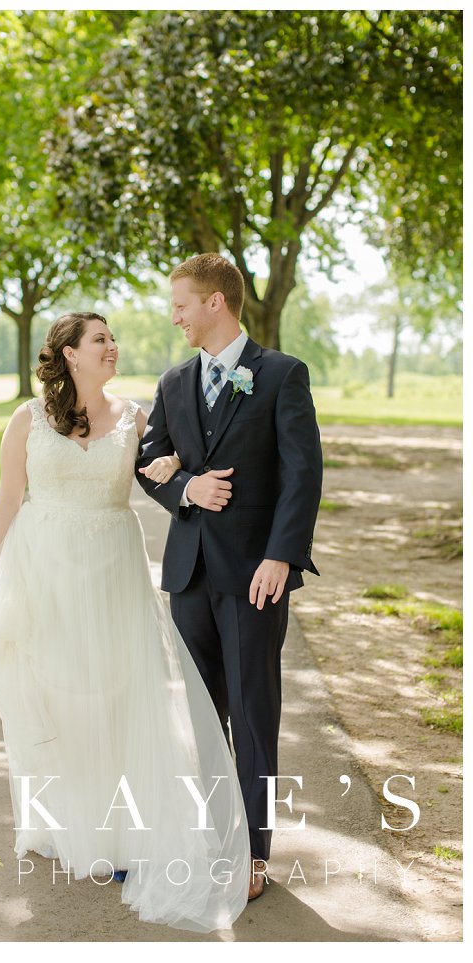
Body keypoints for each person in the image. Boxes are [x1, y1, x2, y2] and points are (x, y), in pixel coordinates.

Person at [0, 311, 250, 932]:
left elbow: (173, 464)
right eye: (99, 339)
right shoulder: (26, 419)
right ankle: (72, 824)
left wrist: (174, 472)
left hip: (112, 567)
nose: (112, 347)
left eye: (111, 339)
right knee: (57, 695)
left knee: (120, 698)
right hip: (44, 567)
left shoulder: (136, 417)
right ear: (69, 354)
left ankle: (126, 835)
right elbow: (8, 497)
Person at [134, 253, 323, 901]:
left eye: (181, 303)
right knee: (203, 718)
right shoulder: (174, 381)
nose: (175, 315)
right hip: (188, 575)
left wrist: (282, 554)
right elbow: (149, 461)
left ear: (216, 301)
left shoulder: (280, 375)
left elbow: (303, 474)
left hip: (254, 576)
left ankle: (253, 853)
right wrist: (188, 486)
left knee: (251, 714)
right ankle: (216, 837)